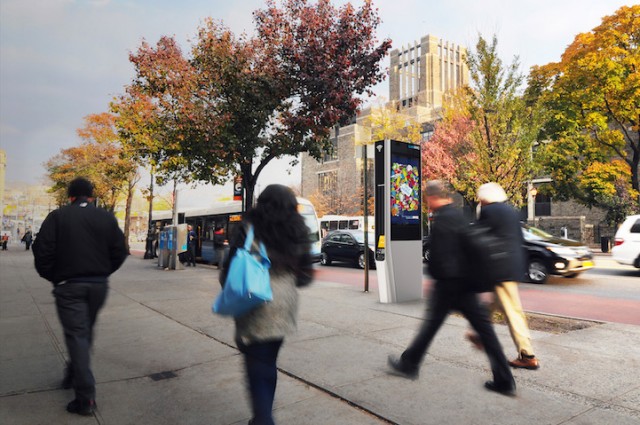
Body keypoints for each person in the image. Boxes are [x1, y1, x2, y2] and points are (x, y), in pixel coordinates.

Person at [387, 180, 516, 396]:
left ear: (431, 197)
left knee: (430, 327)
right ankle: (504, 379)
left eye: (427, 199)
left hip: (450, 286)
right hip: (466, 285)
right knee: (485, 332)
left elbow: (442, 256)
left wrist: (435, 278)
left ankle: (409, 364)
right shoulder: (458, 215)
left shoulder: (443, 220)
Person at [32, 177, 128, 416]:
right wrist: (103, 271)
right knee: (84, 333)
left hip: (69, 286)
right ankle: (74, 372)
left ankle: (85, 399)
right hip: (98, 286)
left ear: (71, 197)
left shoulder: (57, 217)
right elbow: (120, 251)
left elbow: (42, 250)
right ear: (91, 197)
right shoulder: (106, 217)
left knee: (77, 335)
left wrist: (55, 276)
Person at [220, 184, 314, 425]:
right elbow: (305, 277)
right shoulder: (297, 231)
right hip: (284, 305)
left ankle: (263, 419)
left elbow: (228, 273)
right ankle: (261, 417)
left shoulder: (247, 229)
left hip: (255, 302)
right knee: (268, 361)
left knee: (256, 366)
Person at [466, 182, 540, 370]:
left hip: (500, 269)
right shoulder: (511, 211)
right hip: (512, 267)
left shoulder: (489, 212)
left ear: (485, 198)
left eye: (480, 198)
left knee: (513, 311)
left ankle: (527, 354)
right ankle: (478, 332)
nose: (479, 201)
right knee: (494, 304)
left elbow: (478, 239)